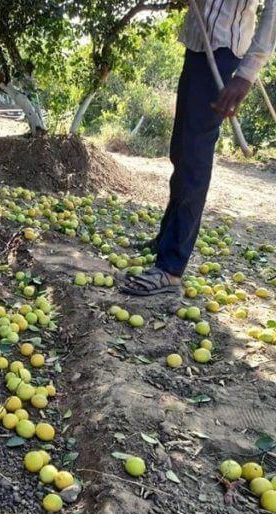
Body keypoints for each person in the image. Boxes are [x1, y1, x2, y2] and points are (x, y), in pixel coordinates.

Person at [121, 0, 276, 296]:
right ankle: (166, 240)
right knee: (180, 152)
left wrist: (247, 73)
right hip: (197, 48)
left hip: (225, 55)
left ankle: (170, 268)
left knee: (194, 159)